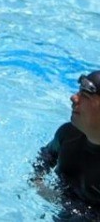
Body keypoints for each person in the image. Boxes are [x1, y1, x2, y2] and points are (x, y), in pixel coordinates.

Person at [34, 70, 100, 217]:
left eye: (85, 96)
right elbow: (46, 157)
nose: (73, 97)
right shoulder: (68, 134)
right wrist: (38, 183)